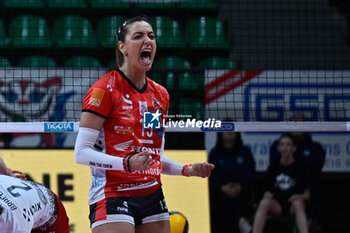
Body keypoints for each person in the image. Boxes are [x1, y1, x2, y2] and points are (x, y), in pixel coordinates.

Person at [74, 15, 215, 233]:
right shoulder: (104, 90)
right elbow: (81, 153)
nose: (147, 40)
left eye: (151, 36)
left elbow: (153, 155)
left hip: (151, 194)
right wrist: (127, 163)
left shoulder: (160, 95)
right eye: (138, 36)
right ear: (122, 47)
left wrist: (187, 170)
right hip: (112, 193)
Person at [269, 114, 325, 222]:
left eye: (300, 122)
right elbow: (275, 165)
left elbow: (315, 167)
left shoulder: (315, 147)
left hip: (304, 188)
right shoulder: (277, 144)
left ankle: (313, 221)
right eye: (294, 122)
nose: (297, 125)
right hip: (282, 190)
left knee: (316, 185)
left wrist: (293, 162)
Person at [252, 133, 310, 233]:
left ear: (294, 148)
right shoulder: (273, 167)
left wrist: (299, 197)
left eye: (288, 144)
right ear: (278, 148)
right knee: (264, 202)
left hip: (293, 206)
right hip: (277, 205)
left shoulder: (301, 167)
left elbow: (307, 195)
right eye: (282, 144)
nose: (285, 147)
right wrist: (266, 194)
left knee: (298, 204)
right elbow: (266, 189)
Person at [0, 157, 70, 233]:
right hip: (26, 197)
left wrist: (6, 173)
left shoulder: (13, 225)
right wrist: (6, 172)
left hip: (50, 218)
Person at [209, 132, 255, 233]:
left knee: (234, 200)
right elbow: (212, 176)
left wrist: (240, 186)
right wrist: (222, 188)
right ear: (220, 133)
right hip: (220, 194)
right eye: (226, 129)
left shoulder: (245, 152)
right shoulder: (214, 153)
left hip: (242, 193)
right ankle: (241, 221)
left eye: (232, 129)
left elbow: (250, 173)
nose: (229, 132)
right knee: (224, 202)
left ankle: (240, 221)